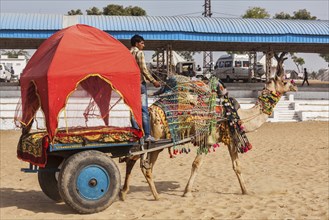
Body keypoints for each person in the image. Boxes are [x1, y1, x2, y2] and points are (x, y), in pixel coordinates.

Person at [130, 34, 161, 142]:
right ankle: (147, 135)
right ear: (137, 43)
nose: (144, 45)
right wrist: (154, 81)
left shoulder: (128, 53)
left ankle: (136, 134)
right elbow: (143, 69)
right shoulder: (139, 53)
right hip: (139, 84)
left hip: (131, 85)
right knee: (143, 110)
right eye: (142, 43)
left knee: (133, 110)